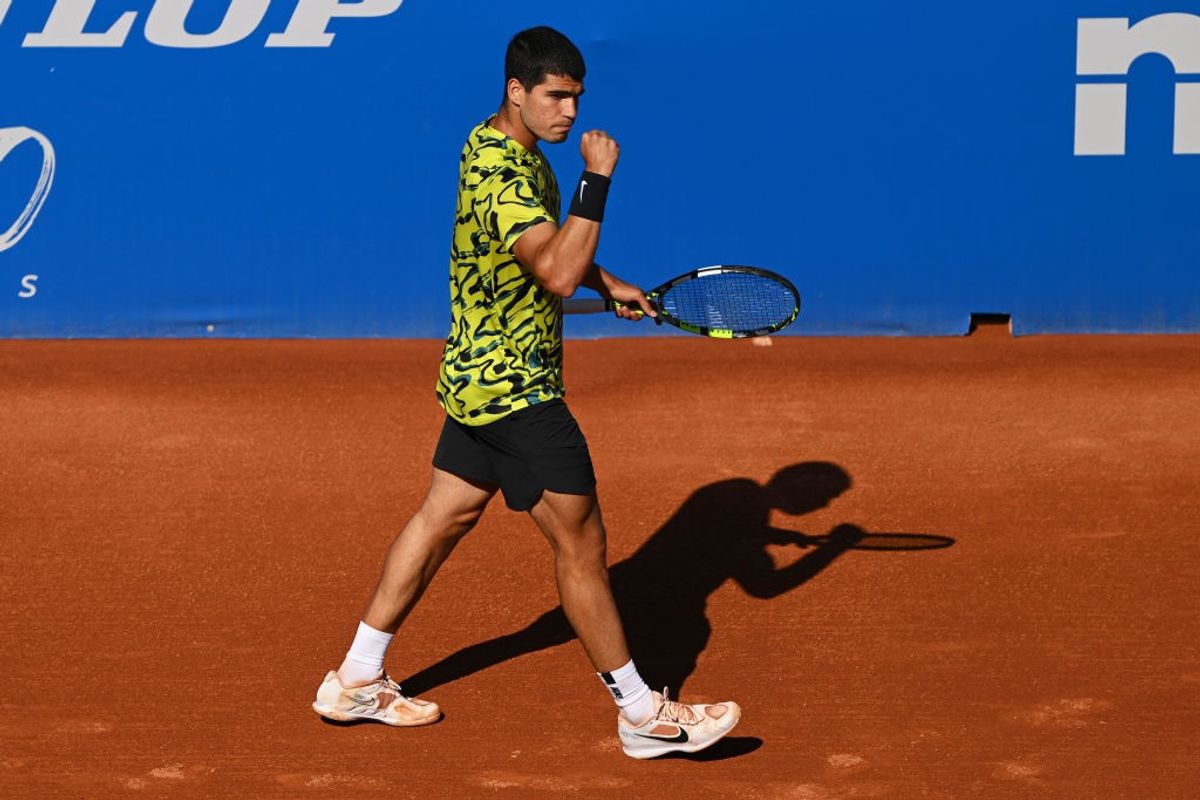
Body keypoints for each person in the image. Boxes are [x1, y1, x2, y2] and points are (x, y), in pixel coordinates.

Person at [312, 26, 740, 759]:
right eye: (555, 96)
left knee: (441, 519)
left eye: (576, 97)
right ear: (517, 91)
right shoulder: (505, 177)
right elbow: (556, 274)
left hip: (474, 378)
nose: (569, 111)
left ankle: (355, 677)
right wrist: (597, 179)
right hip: (515, 390)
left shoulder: (504, 147)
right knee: (583, 545)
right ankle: (642, 714)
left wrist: (614, 285)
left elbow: (553, 254)